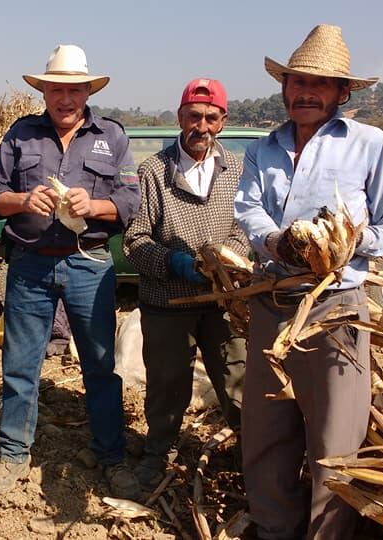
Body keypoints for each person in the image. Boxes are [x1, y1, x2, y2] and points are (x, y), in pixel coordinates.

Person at [234, 25, 383, 538]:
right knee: (267, 432)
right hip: (272, 305)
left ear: (342, 92)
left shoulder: (372, 145)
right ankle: (273, 527)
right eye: (297, 81)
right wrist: (278, 243)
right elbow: (248, 209)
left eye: (320, 82)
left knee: (335, 442)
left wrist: (346, 244)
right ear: (284, 86)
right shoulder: (263, 148)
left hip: (334, 309)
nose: (305, 91)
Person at [0, 44, 141, 499]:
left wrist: (95, 206)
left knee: (100, 365)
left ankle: (110, 455)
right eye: (57, 89)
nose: (65, 98)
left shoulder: (112, 136)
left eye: (74, 90)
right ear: (44, 91)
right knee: (20, 364)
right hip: (29, 264)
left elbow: (130, 200)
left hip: (89, 263)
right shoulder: (20, 135)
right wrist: (22, 200)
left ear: (87, 91)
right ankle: (13, 454)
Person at [123, 78, 248, 490]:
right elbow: (135, 239)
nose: (202, 126)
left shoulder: (237, 171)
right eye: (194, 116)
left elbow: (245, 229)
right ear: (180, 117)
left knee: (236, 378)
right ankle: (159, 451)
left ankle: (253, 454)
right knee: (166, 383)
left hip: (222, 299)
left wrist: (225, 257)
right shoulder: (154, 171)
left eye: (211, 117)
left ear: (223, 121)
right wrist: (173, 262)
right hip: (167, 300)